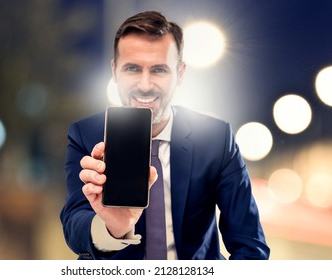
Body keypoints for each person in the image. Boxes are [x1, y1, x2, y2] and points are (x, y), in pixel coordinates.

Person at [60, 11, 270, 260]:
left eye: (159, 70)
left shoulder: (215, 138)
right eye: (132, 69)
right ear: (115, 72)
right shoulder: (85, 134)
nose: (145, 84)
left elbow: (250, 245)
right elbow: (74, 226)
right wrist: (114, 228)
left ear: (180, 73)